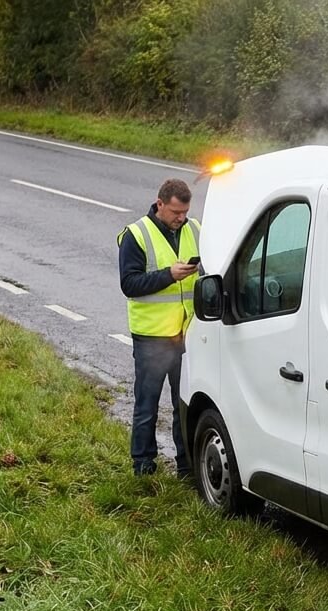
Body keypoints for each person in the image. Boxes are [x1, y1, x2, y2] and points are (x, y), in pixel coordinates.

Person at [118, 178, 202, 476]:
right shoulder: (136, 234)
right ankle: (143, 465)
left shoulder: (195, 229)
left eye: (185, 212)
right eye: (176, 212)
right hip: (152, 338)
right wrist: (169, 275)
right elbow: (129, 284)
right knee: (147, 406)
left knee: (184, 405)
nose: (181, 218)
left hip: (186, 334)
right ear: (160, 204)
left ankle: (186, 467)